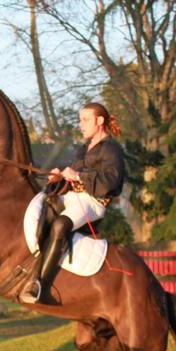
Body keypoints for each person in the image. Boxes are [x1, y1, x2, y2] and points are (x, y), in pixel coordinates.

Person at [19, 102, 125, 304]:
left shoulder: (112, 149)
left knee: (61, 225)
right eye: (80, 120)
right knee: (44, 209)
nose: (81, 124)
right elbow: (72, 172)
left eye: (85, 119)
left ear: (99, 121)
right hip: (73, 198)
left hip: (93, 203)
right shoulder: (84, 149)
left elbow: (110, 180)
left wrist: (78, 176)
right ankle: (34, 264)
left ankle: (40, 283)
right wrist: (58, 176)